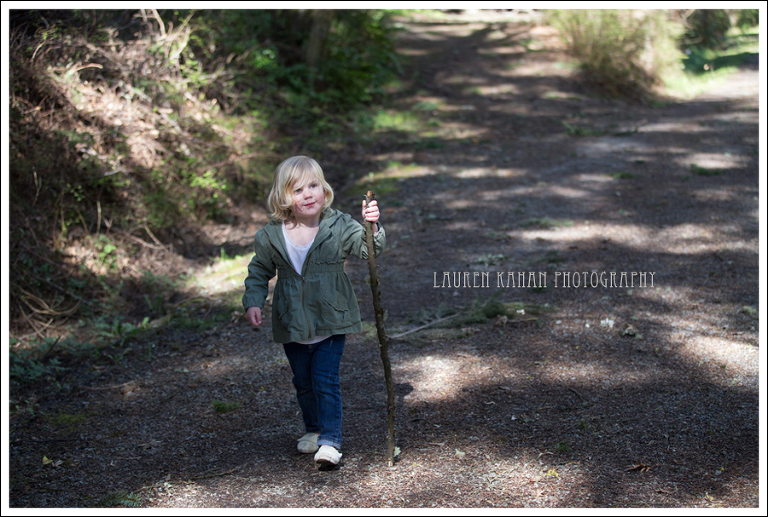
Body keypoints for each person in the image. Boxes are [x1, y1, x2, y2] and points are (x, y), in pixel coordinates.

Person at [242, 155, 385, 467]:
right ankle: (313, 429)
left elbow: (366, 248)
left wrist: (371, 227)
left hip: (331, 319)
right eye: (297, 190)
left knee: (324, 379)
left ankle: (331, 439)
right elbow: (258, 272)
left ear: (324, 189)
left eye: (313, 185)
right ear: (282, 197)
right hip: (291, 321)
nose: (307, 194)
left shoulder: (338, 225)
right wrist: (253, 300)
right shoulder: (271, 236)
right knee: (303, 382)